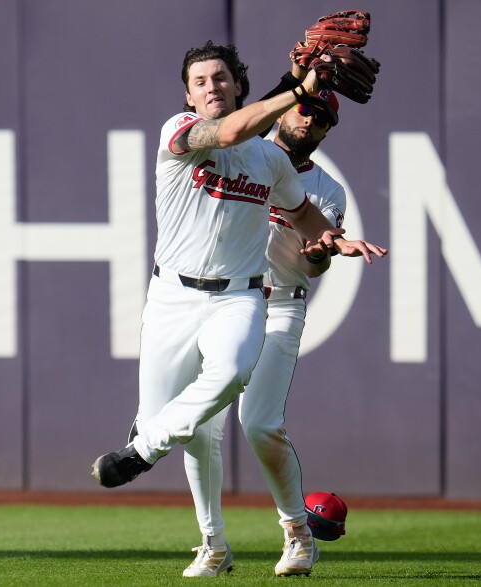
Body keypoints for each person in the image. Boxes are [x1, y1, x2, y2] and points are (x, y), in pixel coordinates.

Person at [90, 41, 386, 576]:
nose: (211, 86)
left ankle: (147, 446)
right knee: (197, 430)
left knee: (231, 382)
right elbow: (227, 132)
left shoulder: (273, 162)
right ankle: (215, 544)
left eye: (221, 78)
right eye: (201, 80)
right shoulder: (179, 132)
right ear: (188, 94)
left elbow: (304, 217)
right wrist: (298, 83)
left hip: (243, 296)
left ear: (239, 86)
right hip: (171, 299)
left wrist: (333, 242)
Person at [183, 77, 358, 576]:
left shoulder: (325, 188)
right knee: (199, 425)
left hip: (280, 302)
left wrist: (320, 254)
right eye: (305, 108)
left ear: (328, 130)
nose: (310, 120)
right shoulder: (240, 153)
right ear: (284, 108)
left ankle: (300, 536)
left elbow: (316, 266)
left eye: (322, 117)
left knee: (258, 423)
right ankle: (212, 544)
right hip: (220, 299)